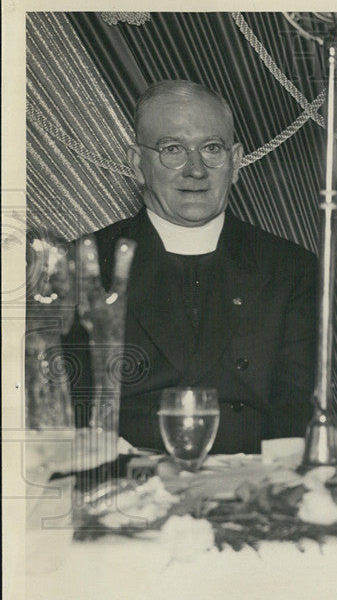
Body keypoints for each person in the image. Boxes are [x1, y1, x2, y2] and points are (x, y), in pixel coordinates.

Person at [63, 80, 317, 454]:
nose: (195, 169)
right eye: (173, 150)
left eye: (212, 149)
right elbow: (64, 412)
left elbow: (295, 417)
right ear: (136, 164)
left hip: (250, 484)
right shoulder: (80, 265)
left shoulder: (291, 268)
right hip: (122, 482)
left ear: (236, 161)